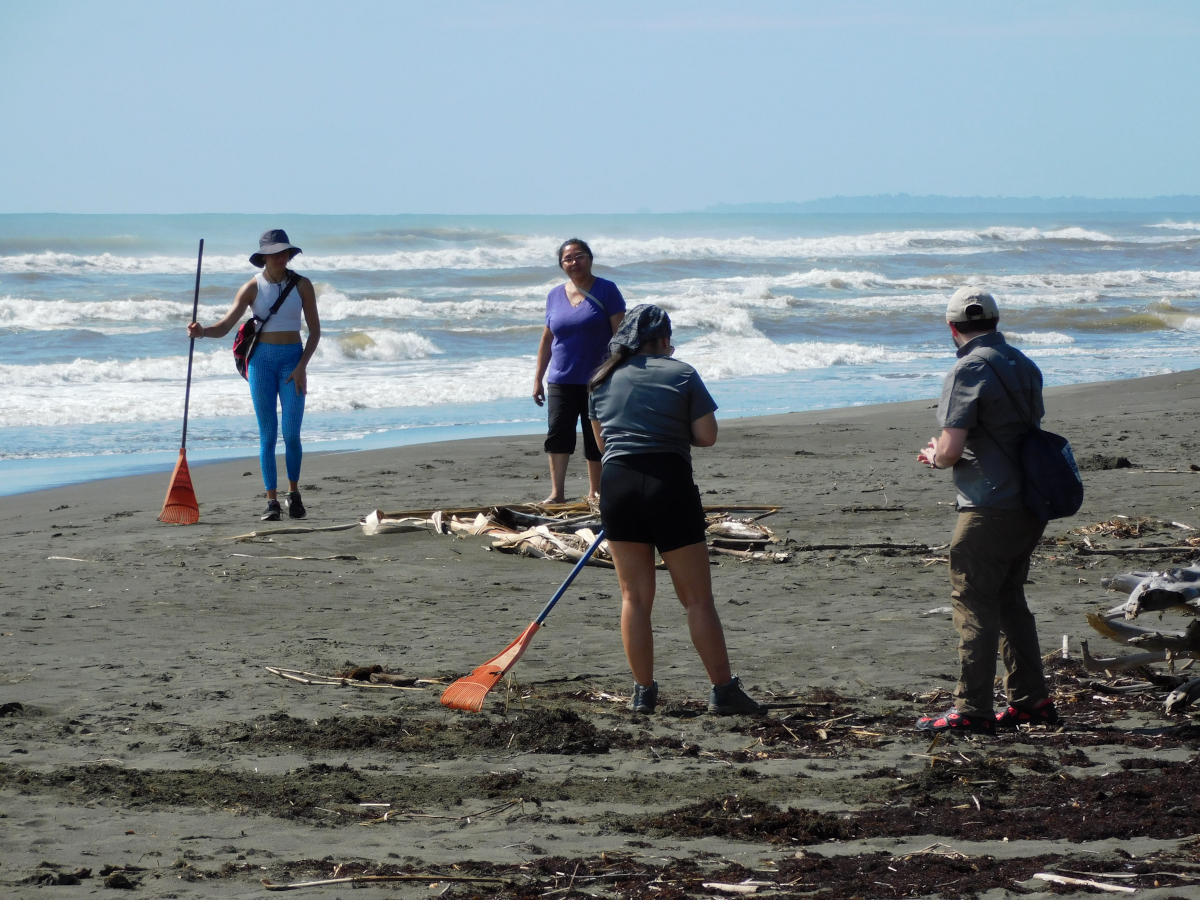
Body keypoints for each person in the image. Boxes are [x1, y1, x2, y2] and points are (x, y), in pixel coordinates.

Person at [588, 304, 764, 716]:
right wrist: (668, 425)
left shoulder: (601, 379)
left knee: (634, 597)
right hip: (669, 483)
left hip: (619, 485)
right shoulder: (681, 373)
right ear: (664, 339)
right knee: (697, 599)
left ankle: (643, 693)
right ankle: (723, 690)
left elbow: (601, 446)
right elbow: (707, 436)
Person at [915, 286, 1058, 735]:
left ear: (952, 327)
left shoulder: (965, 369)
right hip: (1031, 500)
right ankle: (1031, 701)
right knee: (1010, 600)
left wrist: (934, 456)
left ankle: (972, 708)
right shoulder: (1024, 364)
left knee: (973, 602)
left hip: (988, 505)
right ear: (995, 321)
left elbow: (952, 450)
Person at [188, 230, 321, 522]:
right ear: (263, 256)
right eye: (274, 252)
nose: (281, 256)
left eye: (284, 251)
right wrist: (202, 332)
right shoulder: (252, 287)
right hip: (260, 363)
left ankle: (294, 494)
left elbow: (315, 332)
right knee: (268, 435)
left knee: (292, 433)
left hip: (292, 364)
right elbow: (224, 326)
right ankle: (271, 501)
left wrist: (302, 366)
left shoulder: (303, 285)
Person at [533, 238, 625, 503]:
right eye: (568, 259)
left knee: (594, 435)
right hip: (561, 379)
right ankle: (557, 493)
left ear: (590, 258)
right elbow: (547, 340)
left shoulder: (607, 290)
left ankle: (595, 492)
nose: (574, 262)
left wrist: (618, 372)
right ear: (561, 265)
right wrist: (537, 379)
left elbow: (620, 335)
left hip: (599, 379)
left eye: (580, 256)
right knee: (558, 434)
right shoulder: (554, 295)